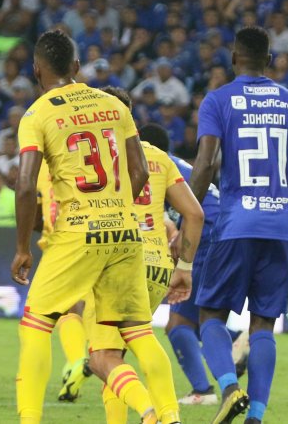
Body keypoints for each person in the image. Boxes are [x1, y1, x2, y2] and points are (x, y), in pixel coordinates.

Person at [12, 29, 183, 424]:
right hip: (126, 232)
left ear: (37, 69)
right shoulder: (114, 105)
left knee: (36, 323)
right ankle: (164, 414)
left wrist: (23, 247)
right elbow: (139, 169)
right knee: (139, 330)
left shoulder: (37, 114)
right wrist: (118, 208)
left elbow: (25, 185)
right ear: (76, 67)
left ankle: (29, 419)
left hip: (77, 231)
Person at [189, 26, 288, 424]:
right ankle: (256, 416)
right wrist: (284, 203)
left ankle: (228, 388)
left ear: (232, 59)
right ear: (271, 61)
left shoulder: (218, 100)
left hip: (235, 223)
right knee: (264, 323)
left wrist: (186, 212)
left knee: (209, 314)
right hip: (281, 224)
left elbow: (207, 163)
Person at [80, 89, 204, 424]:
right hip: (156, 264)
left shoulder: (91, 153)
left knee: (102, 358)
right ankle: (171, 415)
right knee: (138, 339)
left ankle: (150, 415)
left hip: (114, 260)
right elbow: (194, 215)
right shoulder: (159, 157)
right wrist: (185, 269)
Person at [165, 149, 222, 405]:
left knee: (177, 324)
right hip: (223, 232)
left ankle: (203, 391)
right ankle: (237, 341)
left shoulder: (151, 164)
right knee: (200, 316)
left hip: (204, 236)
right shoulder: (174, 164)